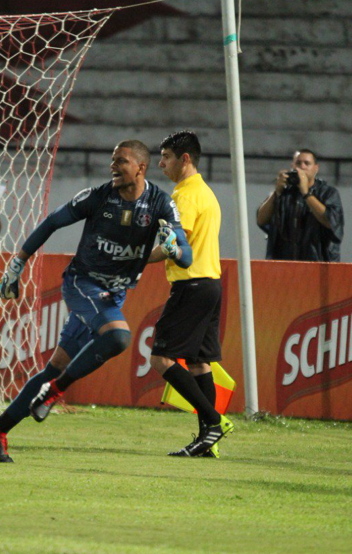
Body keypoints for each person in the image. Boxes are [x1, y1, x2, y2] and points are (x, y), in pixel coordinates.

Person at [0, 139, 195, 463]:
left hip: (114, 293)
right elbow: (52, 222)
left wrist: (173, 248)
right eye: (112, 160)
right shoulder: (98, 197)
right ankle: (53, 394)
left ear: (140, 167)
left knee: (55, 367)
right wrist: (17, 264)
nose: (113, 166)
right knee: (119, 336)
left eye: (120, 161)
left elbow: (187, 257)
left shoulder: (161, 204)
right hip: (83, 284)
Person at [147, 130, 233, 458]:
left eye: (166, 156)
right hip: (210, 284)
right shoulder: (205, 192)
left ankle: (213, 421)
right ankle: (206, 441)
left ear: (185, 159)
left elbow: (175, 246)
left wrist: (135, 258)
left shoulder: (184, 194)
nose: (160, 163)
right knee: (200, 363)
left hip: (192, 284)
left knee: (161, 357)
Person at [256, 149, 344, 261]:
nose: (301, 167)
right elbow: (261, 220)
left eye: (306, 163)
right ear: (292, 166)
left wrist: (306, 193)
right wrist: (276, 193)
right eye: (298, 163)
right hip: (283, 266)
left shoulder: (328, 193)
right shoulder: (284, 193)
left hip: (317, 265)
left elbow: (331, 221)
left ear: (316, 168)